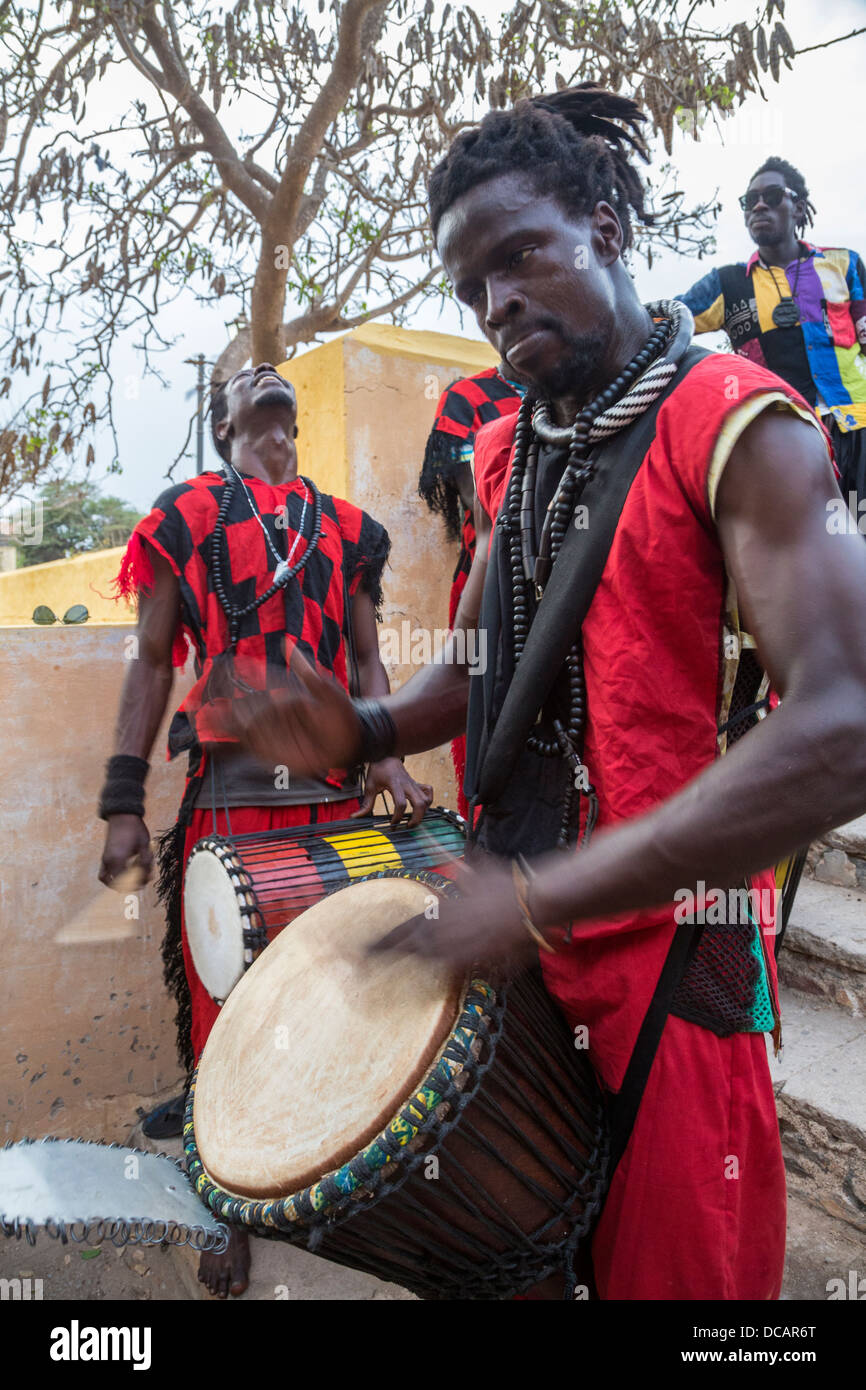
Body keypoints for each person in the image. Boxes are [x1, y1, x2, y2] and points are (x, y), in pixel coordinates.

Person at [226, 87, 866, 1300]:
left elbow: (843, 724)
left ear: (609, 225)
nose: (497, 303)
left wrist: (541, 896)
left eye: (521, 255)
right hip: (519, 930)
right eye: (471, 289)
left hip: (675, 955)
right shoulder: (510, 447)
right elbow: (476, 662)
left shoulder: (735, 422)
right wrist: (360, 724)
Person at [97, 362, 432, 1297]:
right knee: (226, 1000)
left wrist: (389, 755)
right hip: (233, 790)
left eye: (277, 372)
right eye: (246, 376)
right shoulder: (187, 513)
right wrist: (123, 797)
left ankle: (322, 1164)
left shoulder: (350, 529)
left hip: (332, 794)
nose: (267, 373)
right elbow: (153, 661)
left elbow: (366, 656)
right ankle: (221, 1196)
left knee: (333, 989)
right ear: (224, 421)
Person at [679, 157, 866, 511]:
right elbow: (665, 324)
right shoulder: (727, 284)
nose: (760, 205)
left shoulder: (845, 264)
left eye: (773, 195)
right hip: (787, 438)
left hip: (860, 426)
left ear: (798, 207)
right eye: (751, 201)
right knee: (810, 551)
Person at [418, 365, 525, 813]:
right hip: (491, 584)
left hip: (585, 577)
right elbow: (478, 500)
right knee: (489, 719)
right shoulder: (470, 398)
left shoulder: (595, 386)